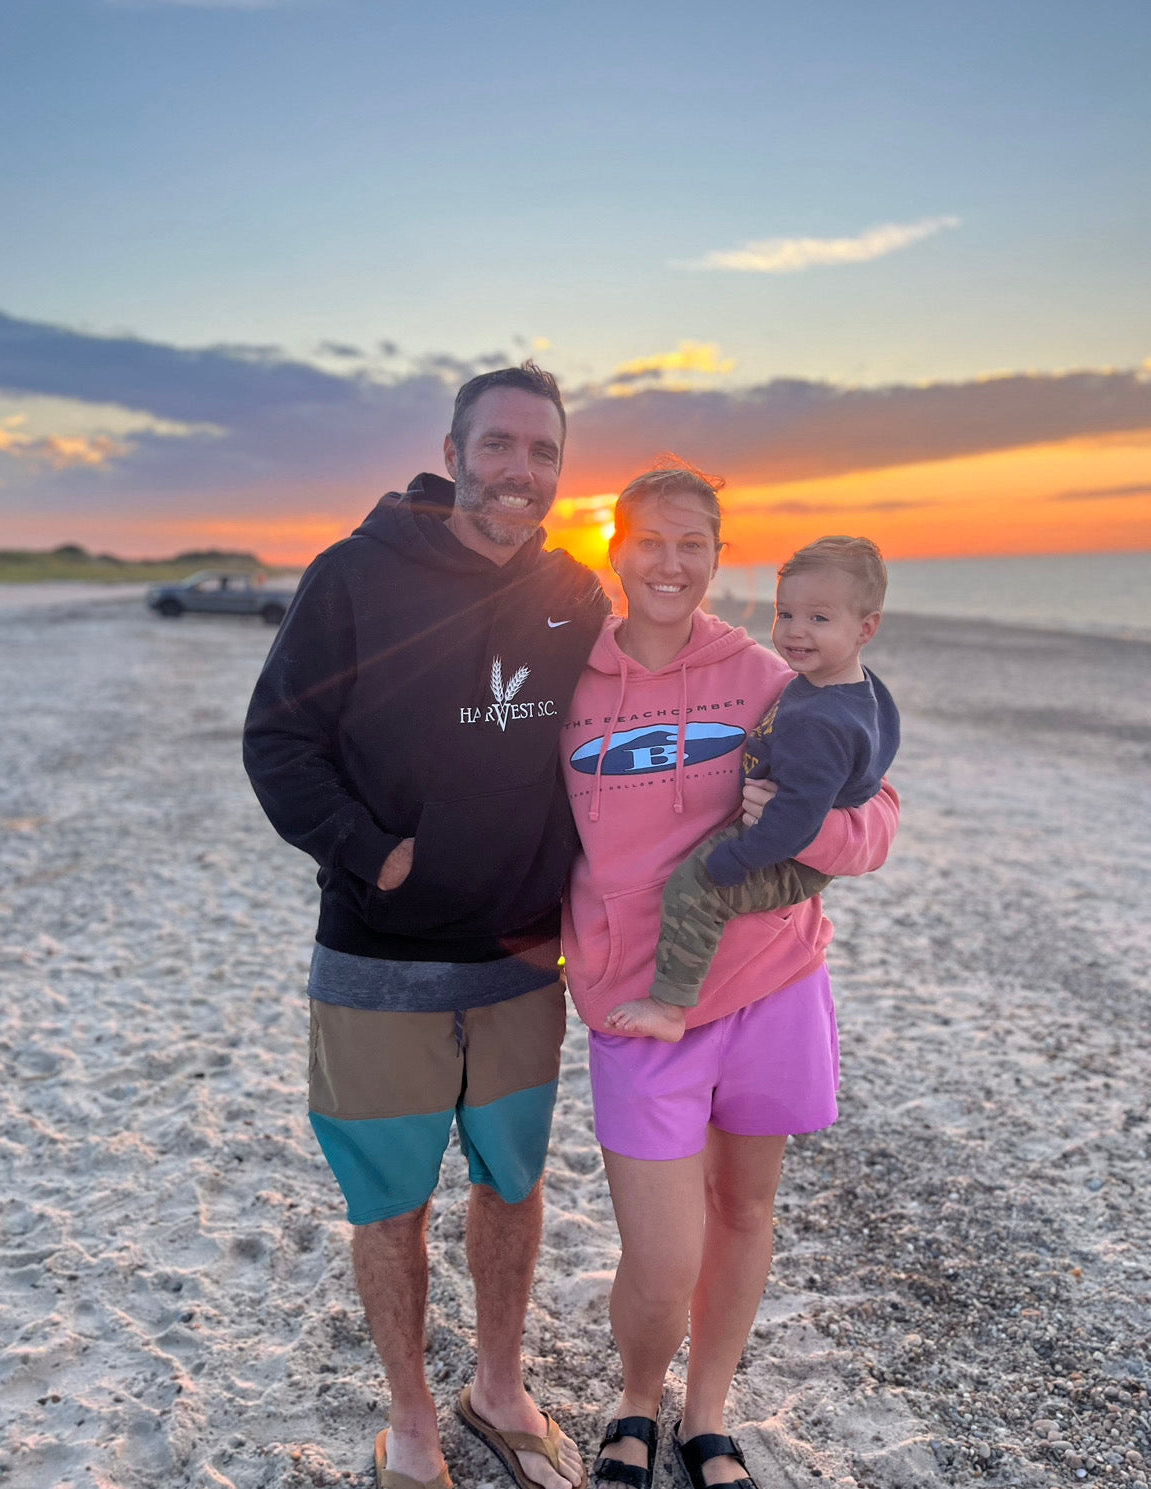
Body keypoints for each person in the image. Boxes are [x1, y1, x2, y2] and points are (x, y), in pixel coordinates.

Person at [243, 363, 608, 1489]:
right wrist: (374, 853)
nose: (520, 472)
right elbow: (277, 741)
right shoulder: (355, 574)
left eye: (543, 452)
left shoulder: (576, 591)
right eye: (499, 446)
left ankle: (497, 1388)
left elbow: (649, 704)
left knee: (512, 1180)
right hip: (377, 955)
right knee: (390, 1200)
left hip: (517, 958)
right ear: (453, 454)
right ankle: (410, 1418)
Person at [558, 464, 899, 1489]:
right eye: (651, 541)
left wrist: (823, 830)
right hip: (635, 1000)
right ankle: (633, 1396)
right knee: (661, 1260)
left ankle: (704, 1415)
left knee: (746, 1211)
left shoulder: (769, 673)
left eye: (692, 543)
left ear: (716, 554)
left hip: (771, 981)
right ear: (613, 548)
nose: (670, 563)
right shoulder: (566, 681)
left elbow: (879, 817)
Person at [608, 534, 900, 1041]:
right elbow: (887, 736)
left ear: (865, 628)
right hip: (781, 836)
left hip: (779, 852)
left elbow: (799, 820)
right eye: (785, 614)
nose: (794, 632)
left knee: (694, 888)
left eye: (819, 619)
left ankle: (669, 1005)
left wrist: (737, 861)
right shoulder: (855, 687)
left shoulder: (819, 722)